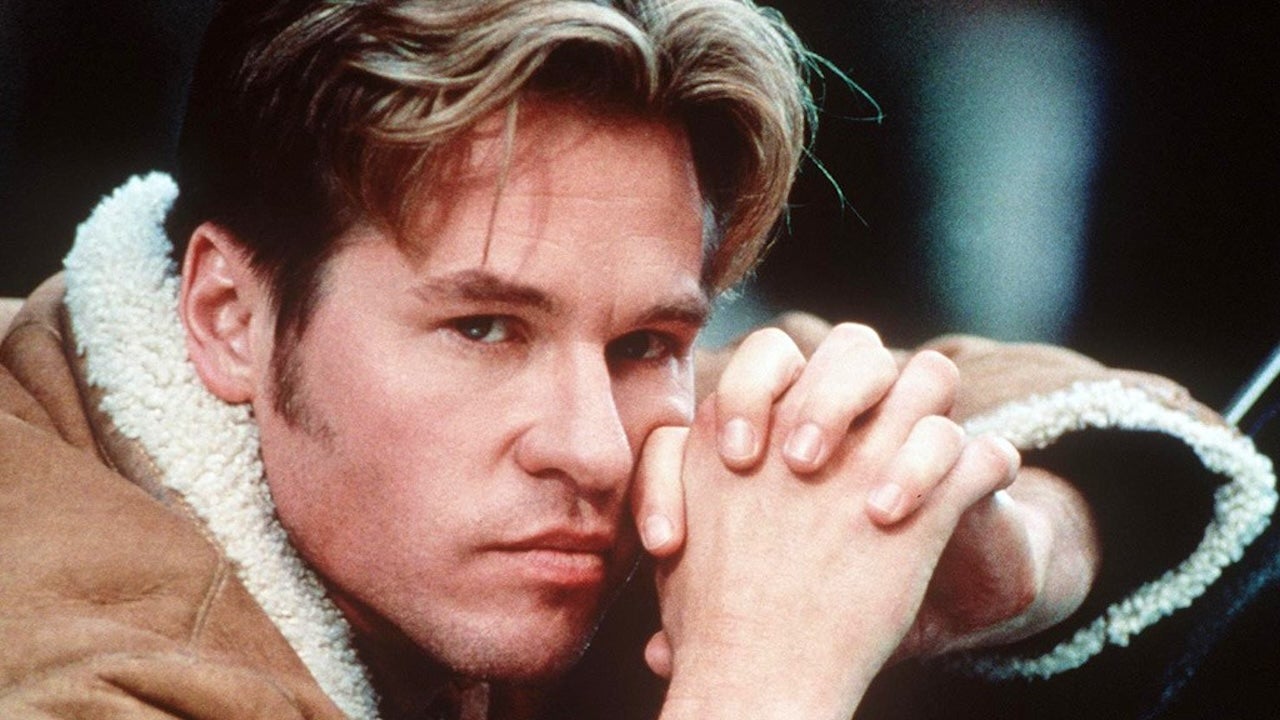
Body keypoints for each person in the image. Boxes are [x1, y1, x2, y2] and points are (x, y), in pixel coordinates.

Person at [0, 1, 1271, 719]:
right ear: (227, 314)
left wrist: (1004, 555)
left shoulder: (413, 473)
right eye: (484, 329)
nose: (594, 449)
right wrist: (757, 686)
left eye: (644, 341)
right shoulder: (70, 661)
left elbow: (1018, 403)